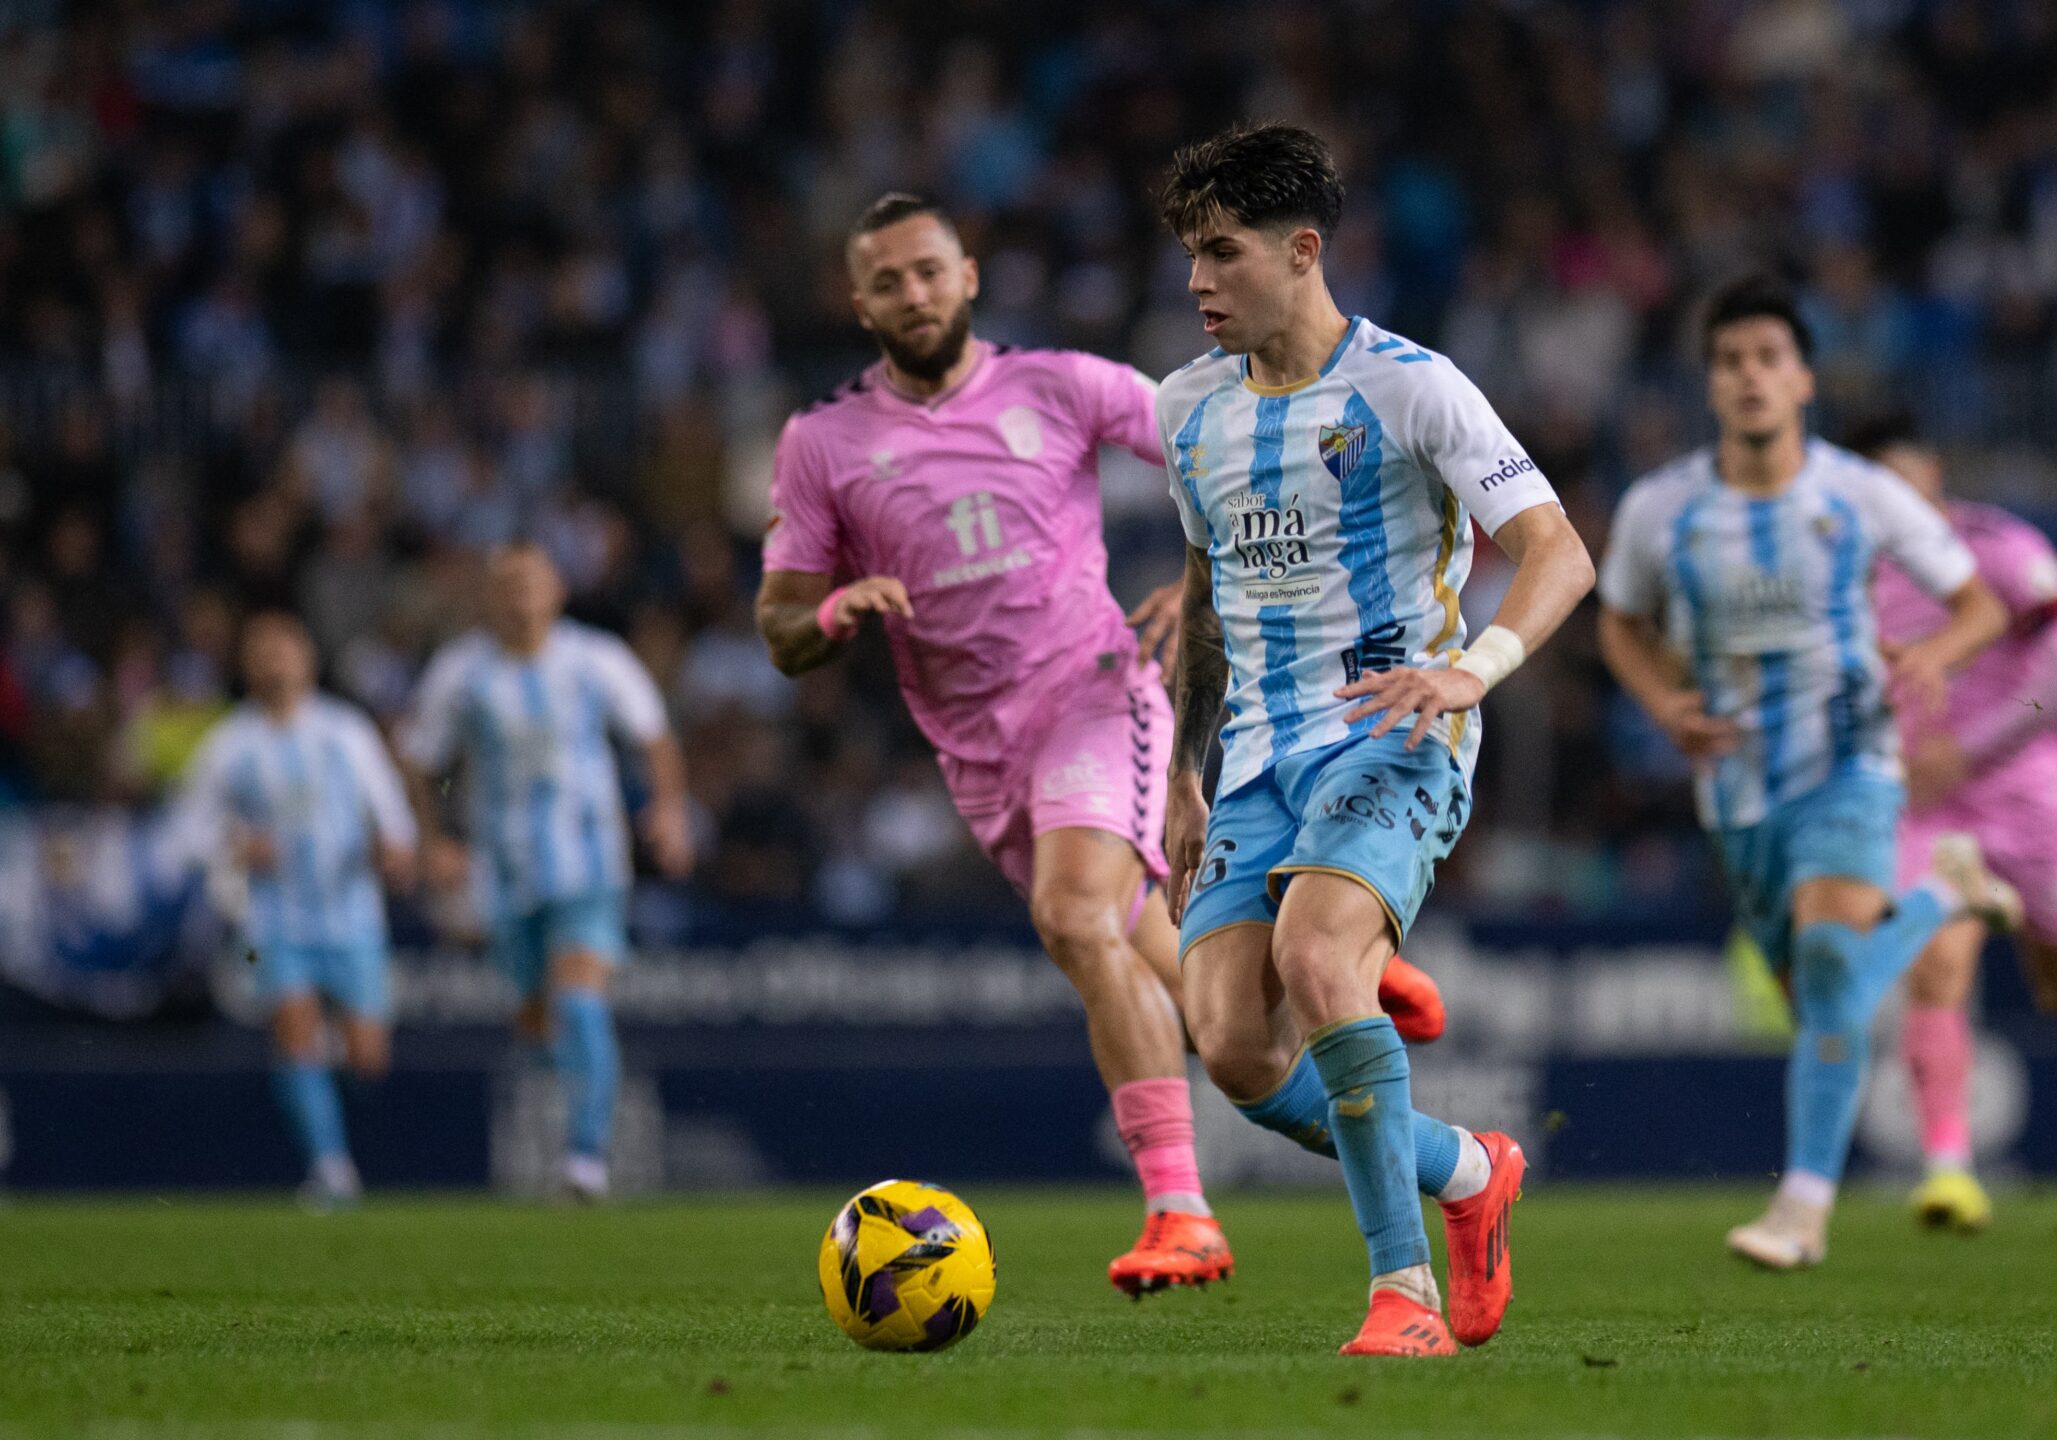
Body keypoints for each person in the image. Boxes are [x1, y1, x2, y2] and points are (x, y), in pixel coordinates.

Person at [755, 193, 1446, 1294]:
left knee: (1074, 919)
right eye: (887, 280)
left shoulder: (1059, 385)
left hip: (1096, 696)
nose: (913, 293)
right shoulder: (823, 443)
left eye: (929, 270)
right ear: (858, 302)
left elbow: (1220, 440)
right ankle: (1443, 1138)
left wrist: (1195, 583)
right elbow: (780, 623)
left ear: (968, 275)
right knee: (1193, 1001)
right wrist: (831, 616)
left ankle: (1179, 1209)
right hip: (983, 761)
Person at [1153, 123, 1594, 1356]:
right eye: (1188, 254)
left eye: (1220, 253)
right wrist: (1187, 774)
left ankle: (1400, 1297)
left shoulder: (1411, 385)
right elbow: (1208, 596)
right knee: (1232, 1046)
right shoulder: (1185, 411)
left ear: (1301, 252)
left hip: (1394, 733)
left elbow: (1559, 553)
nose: (1196, 282)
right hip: (1251, 760)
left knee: (1314, 961)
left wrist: (1474, 669)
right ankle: (1466, 1170)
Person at [1594, 274, 2017, 1272]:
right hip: (1737, 791)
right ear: (1709, 385)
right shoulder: (1662, 509)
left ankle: (1801, 1208)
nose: (1749, 377)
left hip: (1849, 760)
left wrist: (1932, 658)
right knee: (1818, 1004)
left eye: (1767, 359)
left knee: (1831, 970)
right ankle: (1942, 894)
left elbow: (1979, 604)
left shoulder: (1858, 494)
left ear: (1803, 381)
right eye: (1730, 361)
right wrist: (1664, 707)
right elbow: (1618, 622)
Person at [1852, 410, 2057, 1234]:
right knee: (1935, 962)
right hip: (1923, 807)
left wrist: (1967, 751)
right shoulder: (1850, 576)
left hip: (2022, 792)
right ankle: (1948, 1170)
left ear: (1935, 476)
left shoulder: (2002, 550)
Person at [402, 543, 693, 1202]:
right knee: (537, 1016)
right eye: (506, 584)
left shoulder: (596, 660)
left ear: (557, 590)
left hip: (590, 863)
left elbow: (652, 737)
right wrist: (435, 840)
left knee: (581, 992)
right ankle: (574, 1120)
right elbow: (423, 762)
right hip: (503, 871)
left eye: (531, 582)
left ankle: (586, 1157)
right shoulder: (462, 673)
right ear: (488, 598)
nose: (520, 596)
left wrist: (670, 811)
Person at [175, 612, 417, 1210]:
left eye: (285, 649)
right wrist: (233, 844)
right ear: (247, 666)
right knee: (293, 1030)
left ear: (307, 660)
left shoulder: (345, 731)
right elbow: (182, 834)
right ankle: (331, 1169)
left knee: (368, 1060)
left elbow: (389, 806)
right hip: (273, 922)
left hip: (352, 914)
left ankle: (326, 1060)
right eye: (263, 651)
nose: (276, 661)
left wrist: (395, 847)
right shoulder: (230, 744)